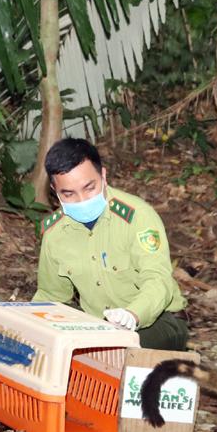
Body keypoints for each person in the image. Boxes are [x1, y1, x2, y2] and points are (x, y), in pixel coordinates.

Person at [33, 138, 188, 350]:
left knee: (112, 353)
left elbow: (158, 280)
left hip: (158, 321)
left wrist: (133, 314)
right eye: (68, 194)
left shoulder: (137, 217)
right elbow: (51, 296)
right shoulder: (55, 233)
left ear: (103, 176)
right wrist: (30, 329)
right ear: (54, 190)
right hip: (98, 328)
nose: (82, 200)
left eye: (89, 188)